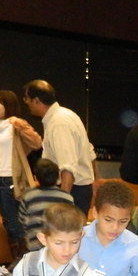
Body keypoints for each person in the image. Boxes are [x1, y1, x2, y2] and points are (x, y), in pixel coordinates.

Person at [21, 80, 96, 216]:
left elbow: (68, 168)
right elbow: (90, 153)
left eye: (28, 100)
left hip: (71, 190)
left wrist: (62, 203)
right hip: (78, 189)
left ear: (37, 100)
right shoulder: (66, 115)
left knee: (65, 234)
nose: (27, 104)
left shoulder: (59, 122)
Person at [0, 90, 41, 266]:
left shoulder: (15, 125)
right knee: (8, 221)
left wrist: (20, 125)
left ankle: (23, 259)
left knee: (14, 221)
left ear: (8, 105)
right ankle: (20, 259)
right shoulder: (0, 127)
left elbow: (36, 142)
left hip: (10, 178)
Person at [18, 158, 75, 251]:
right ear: (58, 177)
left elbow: (22, 220)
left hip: (34, 245)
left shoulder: (28, 196)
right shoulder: (67, 197)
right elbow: (71, 222)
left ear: (36, 177)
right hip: (60, 245)